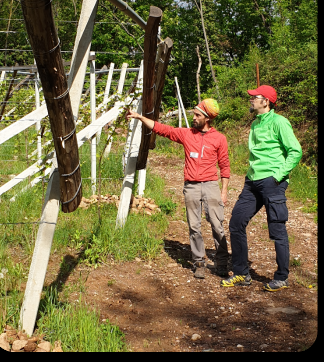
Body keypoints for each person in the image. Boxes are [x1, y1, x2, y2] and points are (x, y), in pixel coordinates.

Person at [127, 98, 230, 279]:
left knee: (217, 225)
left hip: (211, 186)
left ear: (207, 118)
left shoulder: (219, 139)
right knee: (194, 226)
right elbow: (162, 129)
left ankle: (222, 262)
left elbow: (225, 166)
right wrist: (139, 117)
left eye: (198, 115)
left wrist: (224, 191)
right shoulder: (186, 134)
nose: (194, 117)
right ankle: (198, 262)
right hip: (191, 186)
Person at [221, 85, 303, 292]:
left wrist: (278, 175)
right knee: (236, 223)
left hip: (272, 181)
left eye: (254, 97)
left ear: (266, 101)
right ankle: (241, 273)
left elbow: (295, 151)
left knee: (277, 229)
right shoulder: (256, 123)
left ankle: (282, 277)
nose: (251, 100)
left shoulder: (279, 122)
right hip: (252, 181)